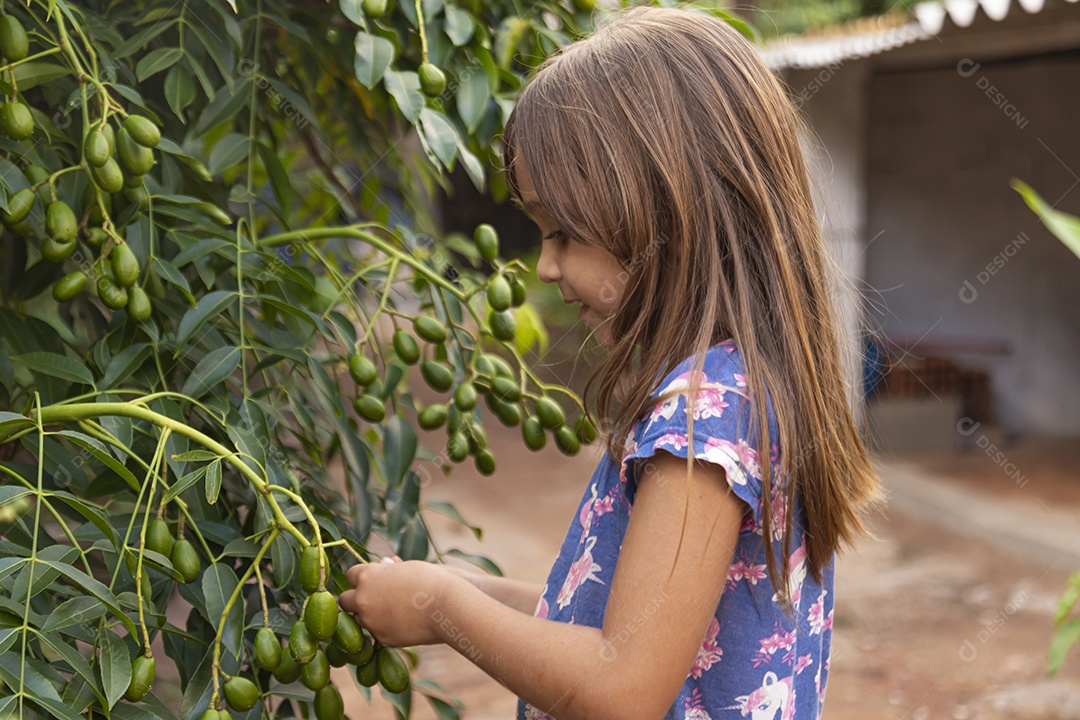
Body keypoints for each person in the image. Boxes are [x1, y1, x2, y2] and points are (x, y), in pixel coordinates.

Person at [338, 6, 883, 719]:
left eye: (564, 232)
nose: (545, 267)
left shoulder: (703, 416)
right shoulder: (740, 389)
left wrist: (440, 607)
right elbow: (618, 628)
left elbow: (621, 686)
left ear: (668, 213)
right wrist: (462, 594)